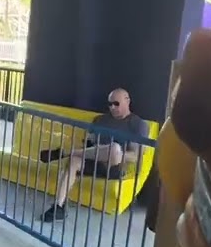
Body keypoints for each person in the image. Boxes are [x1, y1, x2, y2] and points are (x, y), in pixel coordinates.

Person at [39, 88, 149, 222]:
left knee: (114, 149)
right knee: (74, 161)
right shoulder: (99, 120)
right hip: (94, 160)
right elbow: (89, 143)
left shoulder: (137, 124)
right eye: (110, 104)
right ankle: (58, 206)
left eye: (116, 103)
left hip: (116, 166)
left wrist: (119, 155)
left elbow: (136, 156)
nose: (112, 107)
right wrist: (96, 150)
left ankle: (65, 152)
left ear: (127, 101)